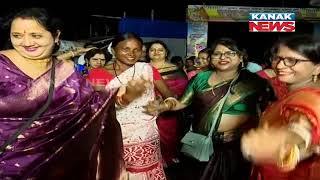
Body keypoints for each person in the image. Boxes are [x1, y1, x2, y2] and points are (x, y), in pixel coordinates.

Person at [0, 8, 122, 180]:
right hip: (7, 165)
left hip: (55, 163)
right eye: (17, 36)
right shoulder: (2, 64)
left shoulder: (65, 70)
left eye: (36, 36)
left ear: (56, 36)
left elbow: (89, 108)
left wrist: (117, 92)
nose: (26, 42)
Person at [144, 38, 272, 180]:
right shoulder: (200, 78)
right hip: (203, 144)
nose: (223, 57)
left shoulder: (253, 82)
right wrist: (164, 106)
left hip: (235, 147)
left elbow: (266, 112)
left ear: (240, 57)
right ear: (211, 58)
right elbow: (182, 103)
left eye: (230, 53)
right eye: (217, 54)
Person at [88, 32, 173, 179]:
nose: (132, 54)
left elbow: (170, 96)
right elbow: (94, 108)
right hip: (112, 135)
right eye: (125, 49)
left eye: (137, 50)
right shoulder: (98, 74)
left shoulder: (147, 69)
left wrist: (161, 105)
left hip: (145, 135)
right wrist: (126, 98)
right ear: (113, 50)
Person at [241, 35, 320, 180]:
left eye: (292, 61)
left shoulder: (310, 99)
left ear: (317, 68)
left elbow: (303, 128)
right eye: (277, 58)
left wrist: (284, 140)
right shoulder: (291, 92)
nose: (279, 66)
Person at [147, 40, 188, 166]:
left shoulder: (174, 69)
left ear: (166, 53)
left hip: (168, 108)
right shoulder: (142, 68)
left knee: (168, 135)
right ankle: (150, 159)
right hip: (145, 109)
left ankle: (168, 157)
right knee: (147, 136)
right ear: (148, 53)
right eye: (152, 49)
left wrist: (164, 99)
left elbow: (182, 89)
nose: (156, 52)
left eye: (160, 50)